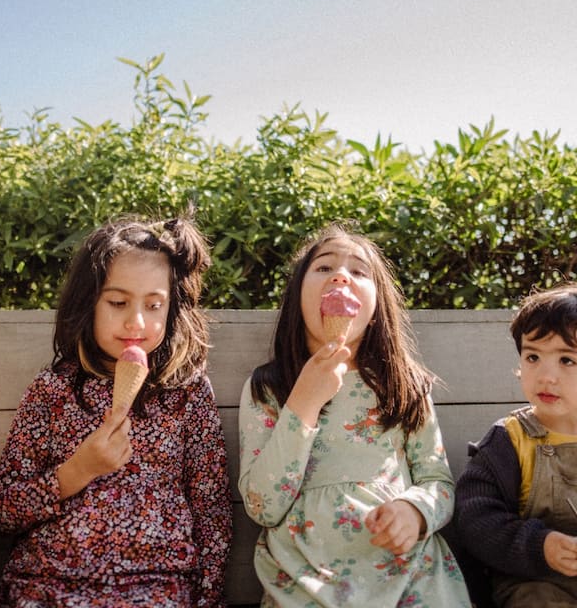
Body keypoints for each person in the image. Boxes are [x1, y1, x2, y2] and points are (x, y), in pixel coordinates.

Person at [0, 214, 232, 607]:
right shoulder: (53, 390)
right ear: (88, 303)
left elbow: (211, 509)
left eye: (154, 305)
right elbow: (2, 512)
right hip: (51, 583)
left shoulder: (186, 393)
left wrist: (207, 597)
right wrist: (76, 471)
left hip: (157, 585)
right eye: (118, 302)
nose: (136, 321)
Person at [238, 224, 470, 607]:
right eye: (324, 267)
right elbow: (263, 506)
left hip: (408, 575)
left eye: (359, 272)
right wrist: (303, 403)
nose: (341, 276)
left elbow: (438, 482)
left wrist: (415, 512)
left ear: (377, 307)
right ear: (297, 296)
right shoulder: (270, 386)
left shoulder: (403, 385)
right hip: (304, 581)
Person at [454, 283, 577, 608]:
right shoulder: (509, 439)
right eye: (533, 356)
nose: (546, 376)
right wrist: (540, 546)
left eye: (567, 360)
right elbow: (474, 519)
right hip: (535, 583)